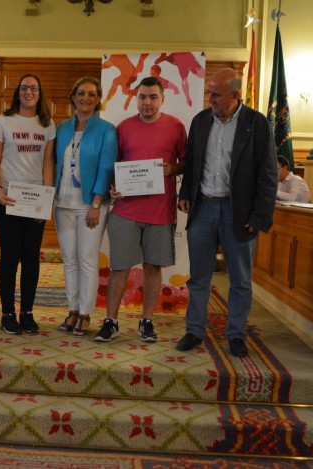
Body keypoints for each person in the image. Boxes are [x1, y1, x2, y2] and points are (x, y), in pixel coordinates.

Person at [177, 68, 278, 358]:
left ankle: (235, 333)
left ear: (236, 95)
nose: (210, 99)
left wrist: (259, 217)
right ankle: (194, 331)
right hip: (204, 208)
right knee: (198, 277)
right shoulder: (200, 121)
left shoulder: (256, 124)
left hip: (239, 212)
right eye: (209, 93)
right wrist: (185, 194)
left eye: (216, 94)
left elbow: (268, 175)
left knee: (240, 279)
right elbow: (191, 162)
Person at [93, 76, 187, 343]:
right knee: (119, 268)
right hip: (125, 213)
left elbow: (187, 162)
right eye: (142, 97)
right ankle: (111, 321)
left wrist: (174, 168)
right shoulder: (123, 128)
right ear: (136, 99)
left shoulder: (176, 127)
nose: (147, 102)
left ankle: (147, 321)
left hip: (160, 213)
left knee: (153, 269)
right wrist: (113, 187)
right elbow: (114, 165)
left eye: (153, 97)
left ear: (162, 99)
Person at [0, 74, 55, 335]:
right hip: (8, 199)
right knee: (10, 257)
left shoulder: (48, 125)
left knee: (31, 259)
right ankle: (7, 313)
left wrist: (47, 198)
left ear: (40, 93)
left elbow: (48, 163)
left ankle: (27, 312)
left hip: (34, 202)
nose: (29, 92)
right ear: (17, 92)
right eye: (24, 87)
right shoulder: (3, 121)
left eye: (34, 88)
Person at [54, 77, 117, 337]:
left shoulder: (106, 130)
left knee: (87, 260)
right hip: (63, 204)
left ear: (98, 99)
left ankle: (86, 313)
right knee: (69, 261)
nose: (86, 98)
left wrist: (97, 202)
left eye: (92, 94)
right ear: (73, 97)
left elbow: (105, 168)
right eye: (81, 93)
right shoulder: (62, 128)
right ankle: (73, 309)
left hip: (91, 205)